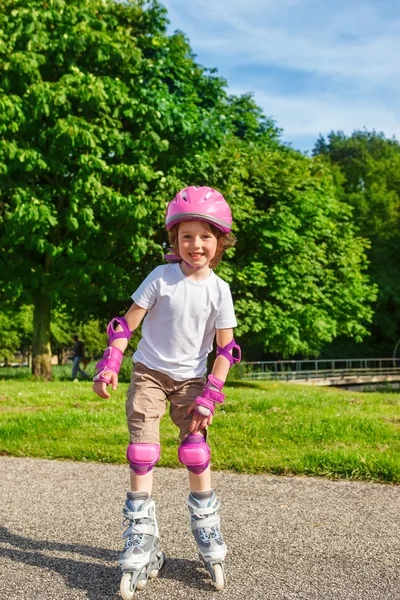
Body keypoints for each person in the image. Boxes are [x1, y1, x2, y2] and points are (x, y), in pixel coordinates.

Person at [92, 186, 240, 596]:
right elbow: (126, 324)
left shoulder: (219, 290)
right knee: (143, 452)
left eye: (205, 236)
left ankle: (207, 531)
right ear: (174, 240)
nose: (196, 244)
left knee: (196, 452)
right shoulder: (161, 277)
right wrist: (111, 364)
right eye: (186, 236)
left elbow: (227, 349)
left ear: (219, 242)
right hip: (149, 374)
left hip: (193, 383)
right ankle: (142, 535)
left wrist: (211, 393)